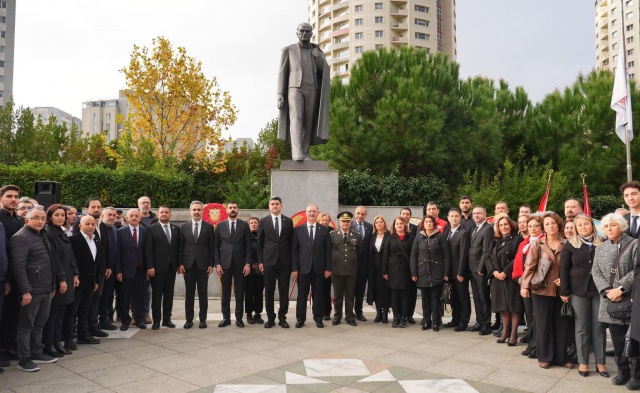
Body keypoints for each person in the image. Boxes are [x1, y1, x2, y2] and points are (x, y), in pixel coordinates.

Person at [521, 212, 572, 370]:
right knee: (543, 324)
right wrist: (524, 285)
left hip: (561, 291)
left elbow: (573, 266)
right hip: (541, 290)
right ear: (544, 227)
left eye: (553, 223)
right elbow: (530, 266)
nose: (551, 226)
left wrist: (566, 280)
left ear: (558, 225)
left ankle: (561, 357)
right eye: (547, 224)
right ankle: (545, 357)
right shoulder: (538, 244)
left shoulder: (568, 243)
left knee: (562, 324)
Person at [592, 213, 638, 388]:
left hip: (631, 298)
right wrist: (606, 291)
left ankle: (636, 375)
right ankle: (623, 372)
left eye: (613, 225)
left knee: (633, 339)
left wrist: (621, 288)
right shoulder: (600, 248)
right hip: (609, 300)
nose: (609, 229)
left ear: (622, 226)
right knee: (618, 340)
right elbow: (595, 271)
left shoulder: (634, 244)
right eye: (606, 226)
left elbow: (637, 270)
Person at [11, 206, 59, 372]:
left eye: (42, 218)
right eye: (36, 218)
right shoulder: (20, 238)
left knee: (40, 323)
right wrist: (25, 291)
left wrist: (52, 286)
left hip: (46, 289)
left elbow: (50, 263)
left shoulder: (42, 235)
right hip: (31, 291)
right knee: (26, 325)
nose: (40, 221)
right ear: (26, 220)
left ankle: (36, 352)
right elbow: (18, 267)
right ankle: (24, 359)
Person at [560, 213, 606, 378]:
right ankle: (583, 362)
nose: (583, 227)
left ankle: (600, 363)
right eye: (579, 225)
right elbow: (564, 270)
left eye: (585, 224)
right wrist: (564, 292)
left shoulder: (603, 243)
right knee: (582, 328)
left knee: (599, 327)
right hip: (578, 291)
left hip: (599, 291)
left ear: (592, 225)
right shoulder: (570, 245)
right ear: (576, 228)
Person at [277, 22, 330, 161]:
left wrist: (317, 56)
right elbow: (282, 73)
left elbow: (324, 71)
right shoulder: (288, 50)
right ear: (297, 33)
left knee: (308, 121)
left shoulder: (317, 50)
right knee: (296, 117)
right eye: (302, 31)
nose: (304, 33)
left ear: (311, 34)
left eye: (307, 31)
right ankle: (297, 152)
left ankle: (305, 152)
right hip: (295, 88)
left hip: (312, 88)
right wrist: (280, 94)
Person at [42, 205, 79, 358]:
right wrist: (62, 280)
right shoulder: (48, 233)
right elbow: (54, 259)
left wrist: (75, 274)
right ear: (50, 217)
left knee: (61, 314)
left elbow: (70, 255)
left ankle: (57, 343)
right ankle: (49, 344)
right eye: (56, 215)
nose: (60, 217)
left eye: (62, 215)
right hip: (58, 279)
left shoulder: (62, 233)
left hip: (68, 277)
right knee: (53, 315)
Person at [292, 204, 332, 328]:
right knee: (302, 295)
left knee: (318, 295)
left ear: (318, 213)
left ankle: (318, 318)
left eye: (314, 211)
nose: (312, 213)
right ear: (306, 213)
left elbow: (328, 251)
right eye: (309, 211)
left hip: (319, 268)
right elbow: (294, 250)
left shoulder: (324, 230)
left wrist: (328, 268)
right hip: (303, 268)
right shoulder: (298, 229)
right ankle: (300, 319)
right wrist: (294, 268)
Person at [258, 196, 293, 328]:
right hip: (268, 261)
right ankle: (270, 318)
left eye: (277, 204)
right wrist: (260, 261)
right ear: (269, 206)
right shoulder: (263, 221)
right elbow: (260, 243)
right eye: (272, 204)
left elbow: (291, 243)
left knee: (284, 291)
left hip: (285, 261)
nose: (275, 206)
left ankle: (282, 317)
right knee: (269, 291)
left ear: (281, 206)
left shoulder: (288, 221)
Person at [487, 214, 523, 346]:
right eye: (500, 225)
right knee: (504, 308)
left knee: (514, 307)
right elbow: (489, 257)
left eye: (505, 224)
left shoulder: (517, 239)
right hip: (498, 278)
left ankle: (513, 334)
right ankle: (505, 332)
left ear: (511, 225)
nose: (503, 227)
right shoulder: (496, 240)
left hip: (511, 277)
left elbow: (518, 258)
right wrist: (494, 271)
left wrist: (505, 272)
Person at [214, 202, 252, 328]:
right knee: (225, 293)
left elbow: (248, 246)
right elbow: (216, 247)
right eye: (230, 208)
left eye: (235, 207)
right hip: (224, 264)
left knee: (240, 292)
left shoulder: (244, 225)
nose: (232, 209)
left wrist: (248, 263)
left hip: (240, 265)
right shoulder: (220, 226)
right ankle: (226, 318)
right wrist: (217, 264)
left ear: (238, 209)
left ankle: (239, 318)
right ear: (226, 210)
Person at [411, 215, 451, 331]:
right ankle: (426, 321)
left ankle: (436, 322)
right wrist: (414, 273)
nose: (428, 223)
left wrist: (446, 273)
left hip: (437, 273)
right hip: (422, 273)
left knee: (435, 299)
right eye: (426, 222)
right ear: (423, 224)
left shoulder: (440, 237)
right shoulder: (418, 237)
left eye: (430, 222)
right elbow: (413, 256)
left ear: (434, 224)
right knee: (425, 299)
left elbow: (446, 256)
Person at [178, 201, 214, 329]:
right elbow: (180, 246)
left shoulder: (209, 227)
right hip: (188, 265)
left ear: (203, 211)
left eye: (199, 209)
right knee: (189, 294)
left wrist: (211, 264)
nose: (196, 212)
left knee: (203, 294)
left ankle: (203, 320)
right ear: (190, 211)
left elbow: (212, 247)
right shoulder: (184, 227)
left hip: (204, 265)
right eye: (194, 210)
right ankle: (189, 320)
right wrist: (180, 263)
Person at [68, 216, 103, 348]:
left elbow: (97, 263)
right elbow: (71, 262)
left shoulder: (96, 240)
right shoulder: (73, 240)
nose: (90, 226)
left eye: (93, 224)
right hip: (77, 281)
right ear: (80, 226)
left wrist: (96, 281)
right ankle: (69, 337)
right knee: (73, 310)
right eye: (87, 224)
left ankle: (84, 334)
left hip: (90, 282)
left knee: (85, 309)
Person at [0, 185, 25, 364]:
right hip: (5, 275)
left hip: (18, 274)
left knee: (13, 313)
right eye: (9, 196)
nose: (14, 199)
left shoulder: (18, 219)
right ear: (1, 198)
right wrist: (7, 278)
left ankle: (8, 347)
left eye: (16, 196)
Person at [513, 215, 544, 359]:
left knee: (538, 317)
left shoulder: (544, 242)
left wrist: (531, 282)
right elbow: (518, 264)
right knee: (530, 317)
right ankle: (531, 345)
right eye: (530, 226)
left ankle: (538, 347)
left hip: (538, 286)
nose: (532, 229)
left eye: (536, 226)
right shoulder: (524, 243)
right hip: (525, 285)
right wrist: (519, 279)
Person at [144, 205, 180, 330]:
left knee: (169, 295)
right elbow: (148, 250)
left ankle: (167, 320)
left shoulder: (176, 229)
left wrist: (179, 264)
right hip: (157, 268)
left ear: (170, 214)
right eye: (161, 212)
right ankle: (156, 321)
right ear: (158, 215)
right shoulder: (151, 229)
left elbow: (177, 249)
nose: (164, 214)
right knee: (157, 296)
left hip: (171, 268)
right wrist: (150, 267)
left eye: (166, 212)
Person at [329, 211, 361, 326]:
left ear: (351, 222)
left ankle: (349, 317)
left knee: (350, 295)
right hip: (336, 270)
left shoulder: (356, 235)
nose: (345, 223)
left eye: (347, 221)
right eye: (343, 221)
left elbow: (359, 253)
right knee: (337, 295)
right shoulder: (332, 235)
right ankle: (337, 316)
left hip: (351, 270)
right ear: (339, 222)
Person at [382, 216, 415, 328]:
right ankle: (396, 317)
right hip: (393, 269)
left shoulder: (411, 237)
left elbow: (414, 255)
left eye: (401, 223)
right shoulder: (390, 237)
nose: (399, 226)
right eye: (397, 224)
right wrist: (385, 271)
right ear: (394, 226)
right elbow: (385, 255)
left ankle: (404, 318)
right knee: (394, 294)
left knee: (405, 295)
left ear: (405, 225)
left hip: (406, 269)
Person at [443, 208, 471, 331]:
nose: (454, 218)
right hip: (449, 272)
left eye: (456, 216)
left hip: (459, 272)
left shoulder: (463, 233)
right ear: (448, 218)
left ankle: (464, 322)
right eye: (451, 216)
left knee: (463, 298)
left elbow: (464, 254)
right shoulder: (447, 232)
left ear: (460, 218)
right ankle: (455, 320)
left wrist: (460, 272)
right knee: (453, 298)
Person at [468, 206, 494, 335]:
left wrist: (481, 268)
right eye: (474, 213)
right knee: (477, 297)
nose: (476, 215)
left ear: (485, 214)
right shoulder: (475, 228)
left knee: (484, 297)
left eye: (479, 213)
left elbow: (486, 250)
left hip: (480, 269)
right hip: (472, 268)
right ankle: (479, 321)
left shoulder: (488, 228)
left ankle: (487, 324)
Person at [368, 215, 391, 324]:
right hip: (374, 268)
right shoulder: (372, 236)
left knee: (385, 291)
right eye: (376, 222)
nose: (378, 224)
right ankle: (378, 313)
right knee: (376, 290)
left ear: (384, 223)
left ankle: (385, 312)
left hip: (385, 268)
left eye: (380, 222)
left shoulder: (389, 235)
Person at [351, 206, 372, 322]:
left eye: (362, 214)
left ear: (365, 215)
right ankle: (349, 312)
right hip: (351, 264)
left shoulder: (369, 227)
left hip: (364, 264)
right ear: (355, 214)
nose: (360, 216)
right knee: (350, 290)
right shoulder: (349, 225)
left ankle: (359, 311)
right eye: (358, 213)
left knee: (360, 289)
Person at [245, 217, 264, 324]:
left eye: (255, 223)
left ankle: (258, 313)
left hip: (261, 270)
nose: (253, 224)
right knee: (248, 292)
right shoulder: (246, 237)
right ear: (248, 225)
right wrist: (252, 263)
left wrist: (260, 263)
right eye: (251, 223)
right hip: (249, 269)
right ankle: (249, 314)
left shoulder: (262, 236)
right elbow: (245, 252)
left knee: (259, 292)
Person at [318, 212, 334, 320]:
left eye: (326, 220)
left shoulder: (332, 232)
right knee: (318, 290)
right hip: (317, 265)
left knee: (326, 290)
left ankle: (327, 312)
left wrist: (329, 267)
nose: (324, 222)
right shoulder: (316, 230)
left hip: (329, 265)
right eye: (323, 220)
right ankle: (319, 311)